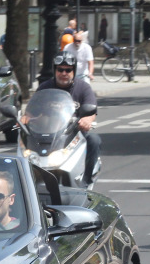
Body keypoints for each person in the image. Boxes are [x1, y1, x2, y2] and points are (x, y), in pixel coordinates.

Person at [32, 52, 100, 185]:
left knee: (94, 140)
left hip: (75, 134)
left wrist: (87, 120)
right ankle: (26, 180)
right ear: (55, 70)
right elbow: (32, 111)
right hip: (47, 134)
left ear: (73, 71)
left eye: (68, 70)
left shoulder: (83, 88)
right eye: (60, 69)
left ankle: (85, 180)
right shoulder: (44, 87)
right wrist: (25, 119)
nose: (64, 73)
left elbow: (92, 111)